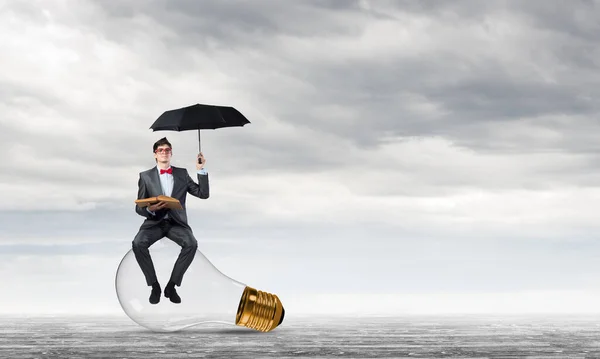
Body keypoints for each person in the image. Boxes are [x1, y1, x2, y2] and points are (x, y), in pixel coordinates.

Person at [132, 137, 209, 304]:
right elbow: (139, 207)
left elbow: (203, 194)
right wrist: (149, 209)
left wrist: (201, 169)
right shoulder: (145, 176)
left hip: (176, 223)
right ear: (155, 154)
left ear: (171, 153)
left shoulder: (182, 174)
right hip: (154, 221)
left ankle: (171, 286)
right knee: (138, 243)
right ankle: (154, 286)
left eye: (167, 150)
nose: (164, 152)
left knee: (191, 244)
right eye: (161, 150)